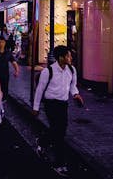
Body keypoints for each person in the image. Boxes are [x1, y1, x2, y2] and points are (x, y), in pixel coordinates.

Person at [32, 45, 84, 178]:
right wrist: (36, 107)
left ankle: (42, 142)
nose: (70, 58)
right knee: (59, 134)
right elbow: (39, 90)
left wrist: (76, 95)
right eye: (68, 55)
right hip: (51, 104)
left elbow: (72, 86)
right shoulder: (48, 71)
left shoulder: (71, 70)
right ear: (61, 57)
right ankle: (59, 163)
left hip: (63, 104)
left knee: (60, 130)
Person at [0, 35, 19, 100]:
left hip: (5, 75)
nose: (1, 44)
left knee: (4, 91)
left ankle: (2, 104)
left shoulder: (8, 53)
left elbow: (13, 62)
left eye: (2, 42)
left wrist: (16, 71)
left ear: (5, 43)